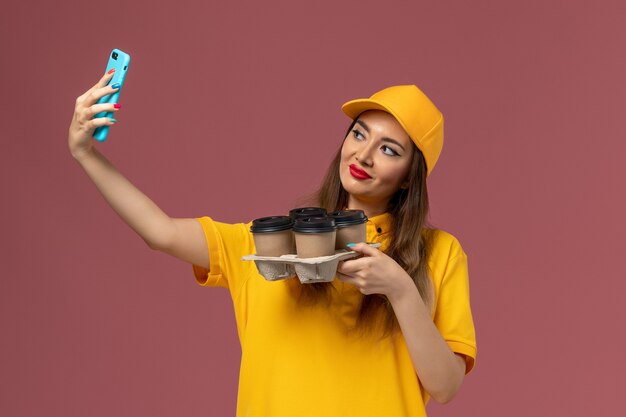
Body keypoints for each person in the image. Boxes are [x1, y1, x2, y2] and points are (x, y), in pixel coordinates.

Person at [68, 72, 477, 417]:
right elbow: (159, 231)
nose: (363, 155)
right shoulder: (271, 245)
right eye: (359, 134)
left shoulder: (439, 254)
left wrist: (400, 289)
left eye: (389, 149)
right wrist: (85, 153)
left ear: (409, 176)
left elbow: (444, 386)